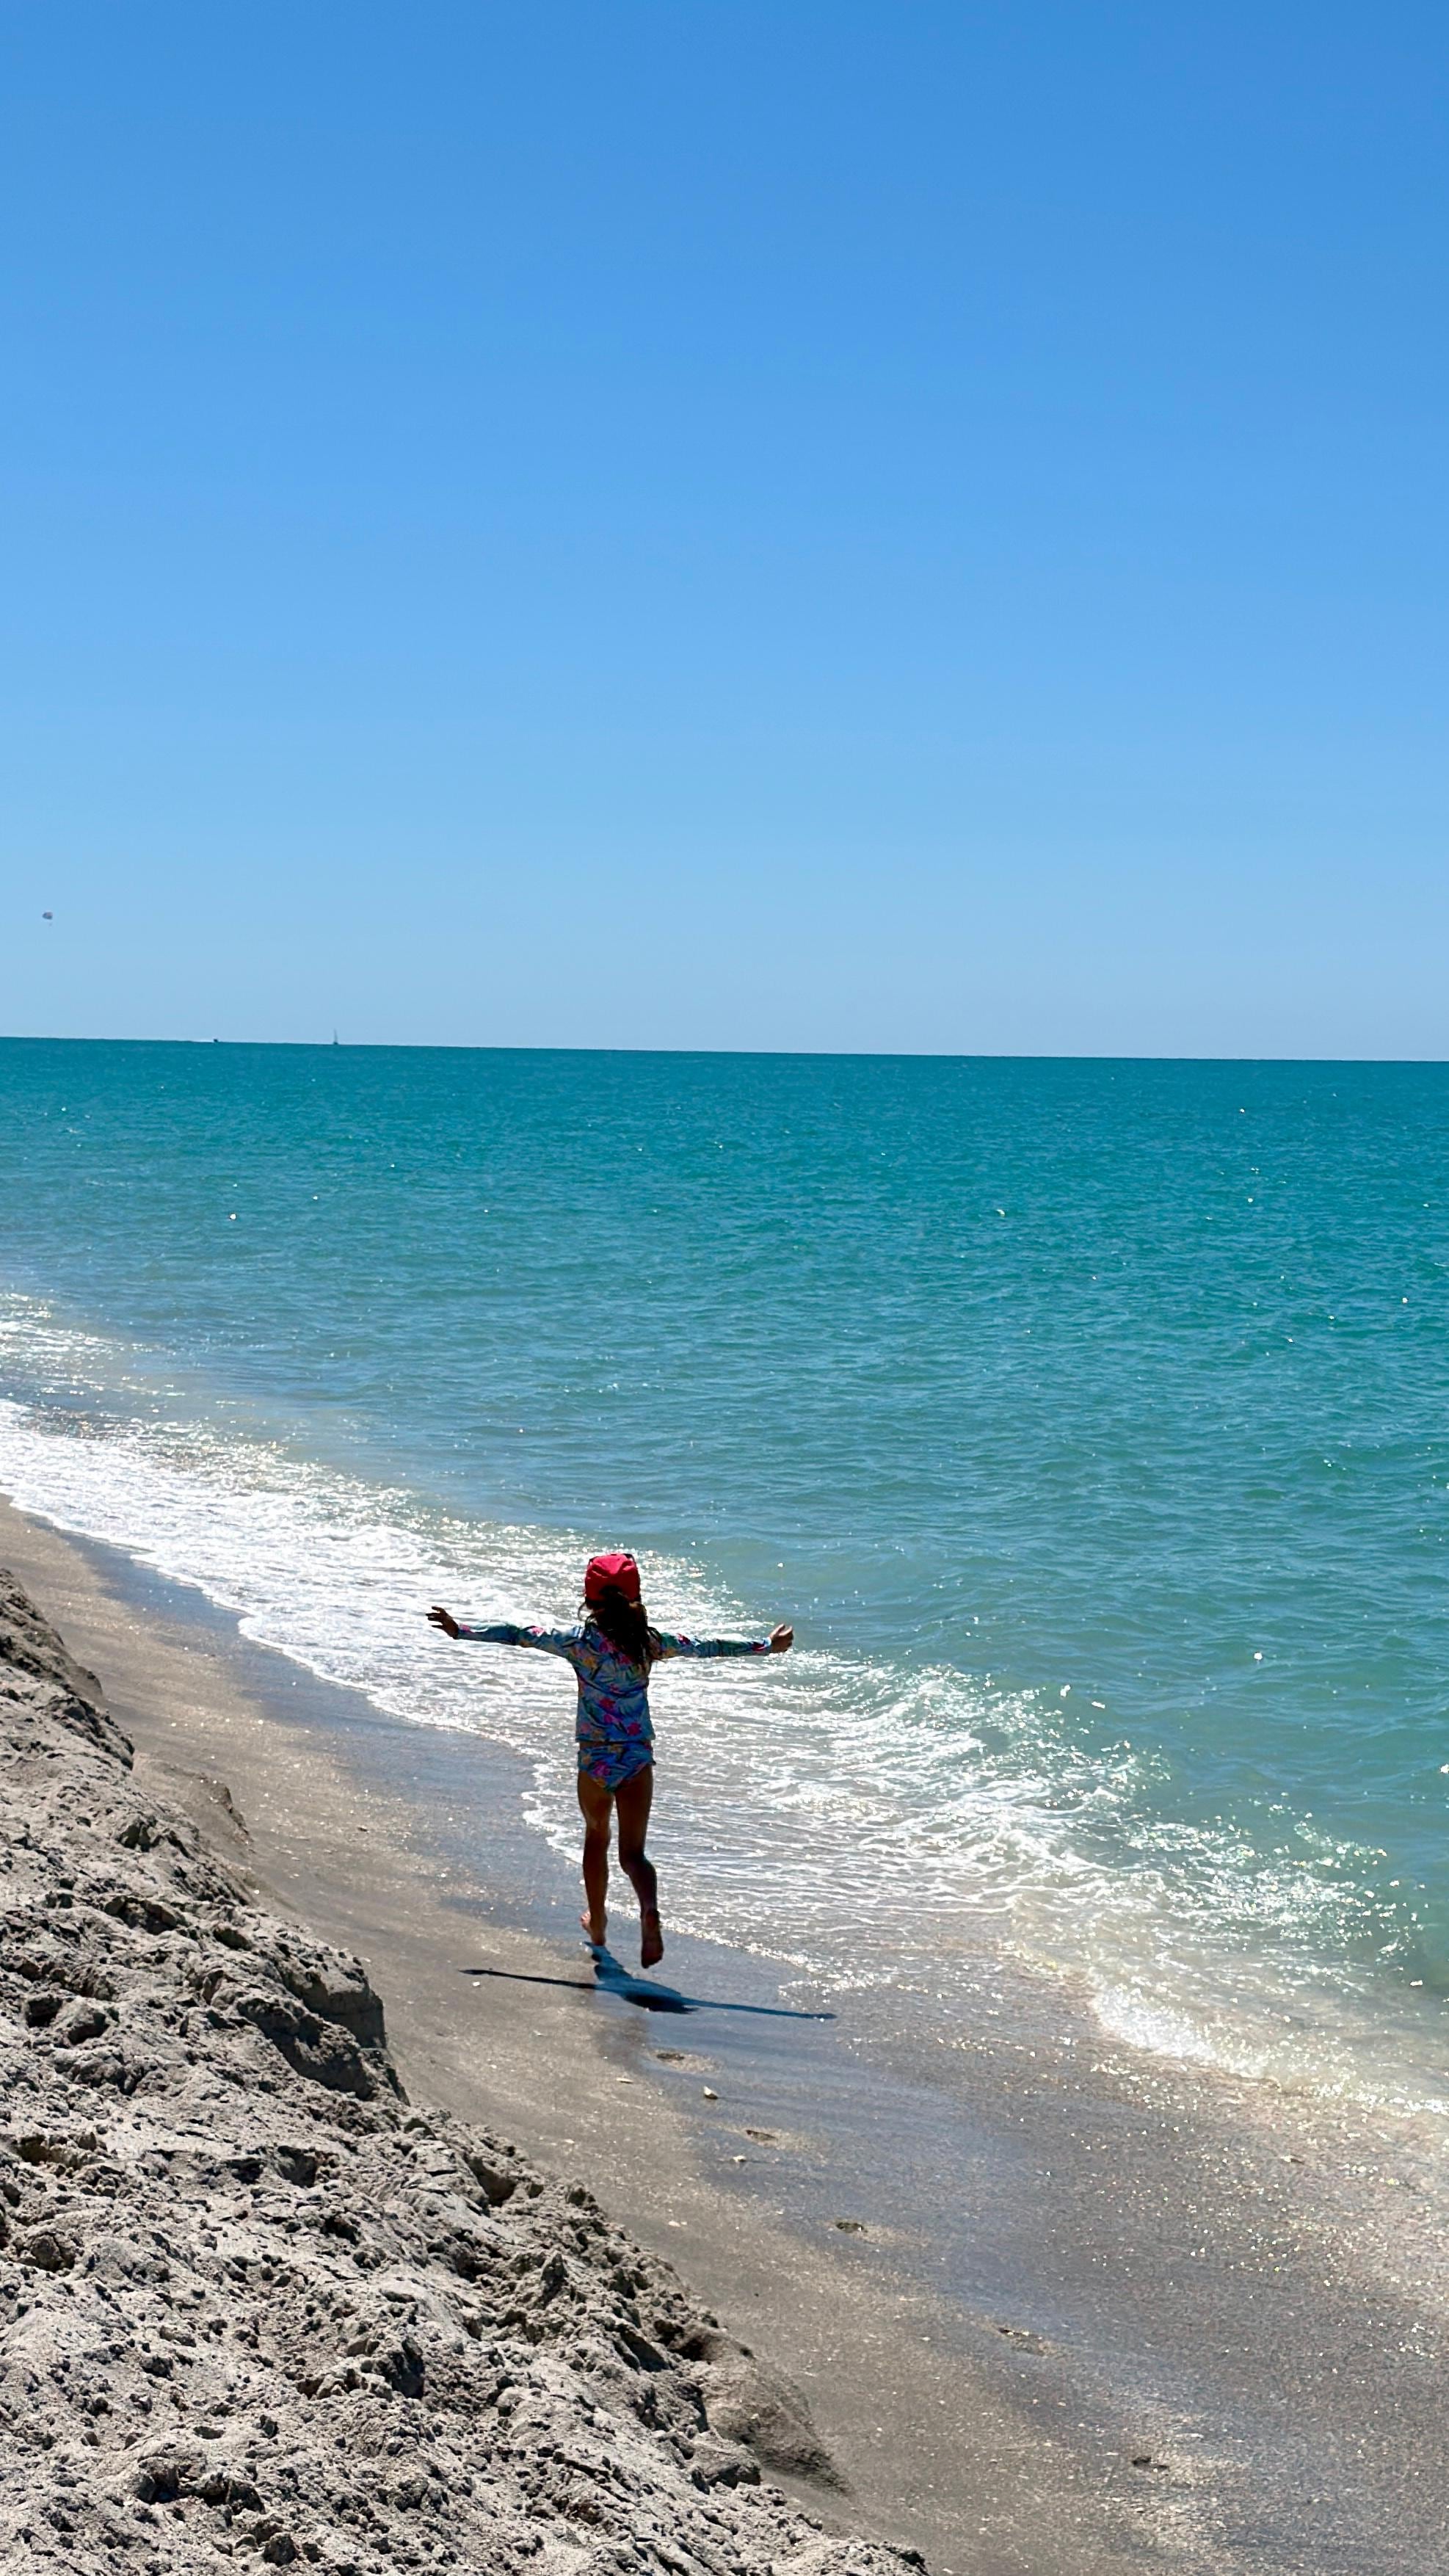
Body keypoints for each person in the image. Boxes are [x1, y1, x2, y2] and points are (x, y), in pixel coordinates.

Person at [428, 1551, 792, 1967]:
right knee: (633, 1855)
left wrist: (463, 1630)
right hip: (637, 1757)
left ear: (589, 1597)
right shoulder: (650, 1642)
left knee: (596, 1836)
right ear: (635, 1594)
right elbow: (707, 1646)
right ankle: (649, 1910)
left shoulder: (579, 1643)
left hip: (596, 1760)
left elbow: (518, 1633)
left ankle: (598, 1924)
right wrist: (767, 1645)